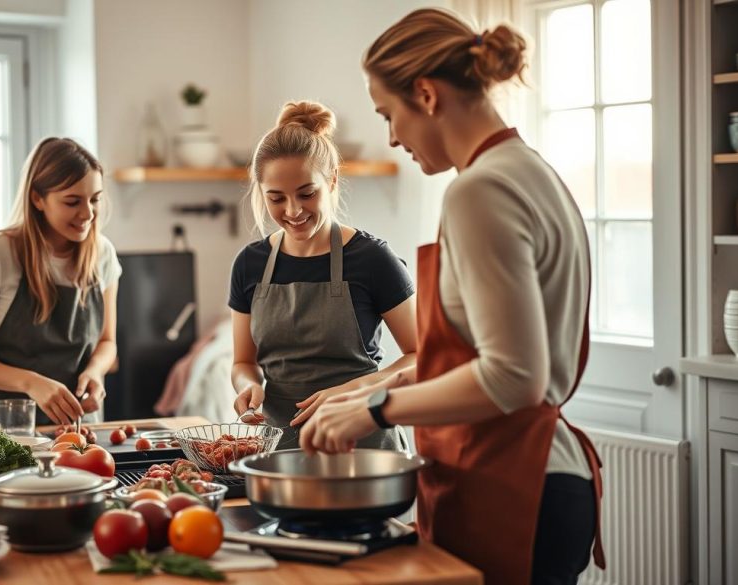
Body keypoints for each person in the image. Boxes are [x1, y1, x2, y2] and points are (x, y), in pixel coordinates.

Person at [298, 9, 605, 585]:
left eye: (390, 114)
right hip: (543, 478)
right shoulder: (531, 172)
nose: (392, 135)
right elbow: (475, 358)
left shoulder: (479, 190)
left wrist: (375, 410)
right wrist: (379, 385)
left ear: (426, 94)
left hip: (513, 484)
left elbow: (514, 376)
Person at [229, 100, 417, 451]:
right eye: (276, 198)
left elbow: (421, 356)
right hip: (280, 450)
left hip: (364, 446)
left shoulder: (372, 258)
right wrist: (247, 384)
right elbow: (243, 361)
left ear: (331, 181)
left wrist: (354, 390)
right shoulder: (249, 264)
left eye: (306, 194)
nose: (293, 210)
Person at [0, 137, 120, 427]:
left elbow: (107, 341)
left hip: (73, 430)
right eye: (72, 201)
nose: (88, 213)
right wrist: (30, 383)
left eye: (95, 199)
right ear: (37, 198)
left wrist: (96, 372)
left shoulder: (103, 254)